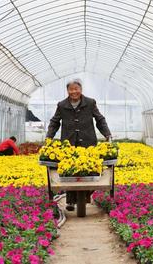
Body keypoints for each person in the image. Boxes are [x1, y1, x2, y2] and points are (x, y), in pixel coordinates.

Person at [46, 79, 112, 211]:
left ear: (80, 90)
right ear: (67, 91)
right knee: (68, 173)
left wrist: (107, 134)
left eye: (76, 89)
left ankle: (86, 195)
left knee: (91, 170)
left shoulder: (90, 102)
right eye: (71, 89)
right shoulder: (62, 105)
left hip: (88, 143)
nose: (74, 92)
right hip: (68, 144)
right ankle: (70, 201)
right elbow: (55, 122)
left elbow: (99, 119)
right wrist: (49, 137)